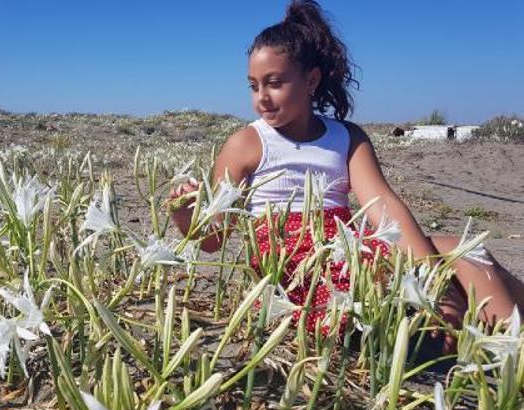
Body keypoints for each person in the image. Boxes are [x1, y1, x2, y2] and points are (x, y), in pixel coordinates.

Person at [169, 0, 524, 351]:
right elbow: (213, 239)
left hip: (350, 248)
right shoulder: (246, 143)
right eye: (253, 85)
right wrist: (184, 213)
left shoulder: (347, 137)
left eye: (274, 82)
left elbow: (383, 206)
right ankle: (501, 345)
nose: (262, 97)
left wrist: (434, 284)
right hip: (298, 269)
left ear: (311, 80)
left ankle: (507, 343)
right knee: (455, 258)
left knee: (463, 251)